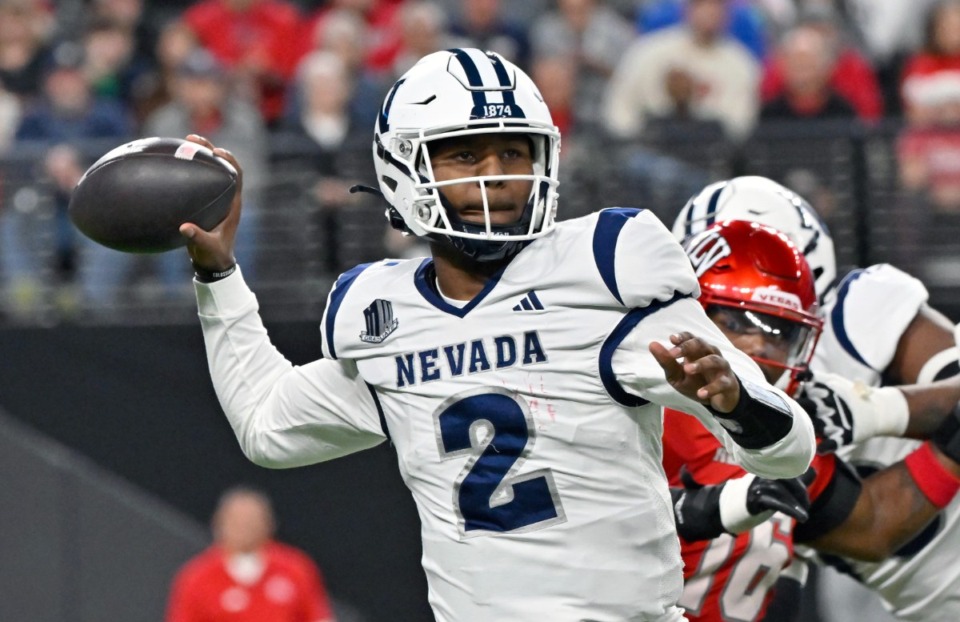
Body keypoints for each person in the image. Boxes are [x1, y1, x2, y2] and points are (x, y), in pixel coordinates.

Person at [177, 49, 816, 621]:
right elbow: (266, 427)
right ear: (404, 167)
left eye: (513, 151)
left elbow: (789, 452)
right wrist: (218, 274)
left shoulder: (604, 270)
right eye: (466, 153)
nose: (498, 173)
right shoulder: (382, 315)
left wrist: (735, 400)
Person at [672, 175, 960, 620]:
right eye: (731, 316)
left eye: (773, 326)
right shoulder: (657, 396)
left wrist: (869, 411)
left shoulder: (855, 315)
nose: (754, 344)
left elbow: (871, 523)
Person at [165, 486, 336, 622]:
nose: (244, 529)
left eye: (251, 522)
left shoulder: (294, 567)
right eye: (236, 522)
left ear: (268, 524)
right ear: (219, 524)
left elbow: (318, 617)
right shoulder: (197, 577)